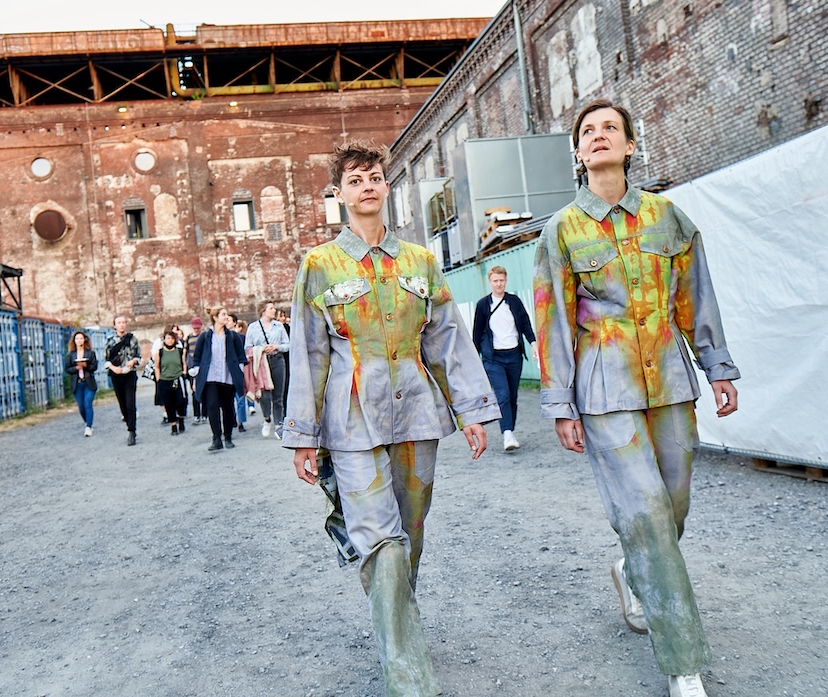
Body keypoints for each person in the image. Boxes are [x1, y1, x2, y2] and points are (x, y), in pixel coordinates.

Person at [534, 98, 740, 697]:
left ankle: (633, 569)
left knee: (671, 508)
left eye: (610, 130)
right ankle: (683, 663)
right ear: (578, 153)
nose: (599, 137)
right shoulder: (562, 230)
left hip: (670, 381)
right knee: (648, 513)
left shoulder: (667, 217)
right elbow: (553, 322)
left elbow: (695, 298)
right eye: (588, 131)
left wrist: (717, 366)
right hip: (604, 387)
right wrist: (559, 403)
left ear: (628, 146)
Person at [283, 141, 499, 696]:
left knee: (410, 538)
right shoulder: (319, 265)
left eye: (375, 177)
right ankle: (409, 677)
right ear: (340, 195)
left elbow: (446, 339)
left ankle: (398, 626)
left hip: (416, 418)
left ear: (387, 187)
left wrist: (471, 410)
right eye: (355, 180)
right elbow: (308, 354)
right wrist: (303, 436)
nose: (367, 186)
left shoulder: (421, 262)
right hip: (350, 422)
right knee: (381, 543)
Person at [471, 266, 537, 451]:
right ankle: (507, 433)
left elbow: (525, 323)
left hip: (514, 355)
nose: (499, 284)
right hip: (494, 359)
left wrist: (533, 343)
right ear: (490, 282)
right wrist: (474, 359)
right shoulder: (483, 305)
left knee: (513, 396)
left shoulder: (514, 302)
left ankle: (510, 430)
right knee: (503, 394)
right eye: (495, 281)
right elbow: (477, 332)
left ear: (505, 281)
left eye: (501, 280)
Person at [191, 307, 245, 452]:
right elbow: (196, 358)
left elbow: (241, 357)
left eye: (227, 314)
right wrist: (196, 377)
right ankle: (216, 438)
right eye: (223, 314)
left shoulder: (232, 336)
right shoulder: (205, 336)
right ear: (215, 317)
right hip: (210, 378)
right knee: (212, 407)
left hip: (227, 377)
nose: (226, 317)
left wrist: (239, 373)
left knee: (228, 407)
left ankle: (228, 436)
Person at [245, 300, 290, 439]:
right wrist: (261, 349)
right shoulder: (253, 327)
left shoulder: (279, 326)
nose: (274, 310)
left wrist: (277, 347)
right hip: (261, 363)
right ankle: (267, 419)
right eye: (271, 308)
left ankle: (278, 425)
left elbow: (288, 344)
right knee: (264, 395)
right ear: (263, 311)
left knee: (278, 395)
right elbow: (247, 347)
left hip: (277, 361)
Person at [105, 315, 142, 446]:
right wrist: (114, 368)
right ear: (114, 325)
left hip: (130, 374)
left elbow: (139, 356)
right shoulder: (110, 340)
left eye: (123, 322)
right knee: (122, 404)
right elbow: (106, 360)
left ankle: (132, 431)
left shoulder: (133, 339)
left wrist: (133, 361)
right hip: (117, 375)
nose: (121, 325)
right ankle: (128, 421)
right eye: (119, 323)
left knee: (130, 403)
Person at [65, 330, 98, 437]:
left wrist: (85, 366)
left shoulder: (90, 353)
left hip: (88, 383)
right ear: (74, 341)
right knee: (81, 407)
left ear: (85, 340)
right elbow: (67, 369)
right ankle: (87, 421)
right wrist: (76, 368)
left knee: (87, 403)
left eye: (81, 338)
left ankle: (88, 426)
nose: (79, 341)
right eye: (77, 339)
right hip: (77, 384)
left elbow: (94, 367)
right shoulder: (71, 355)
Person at [154, 331, 187, 435]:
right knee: (169, 403)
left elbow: (183, 363)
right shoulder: (160, 352)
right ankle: (173, 425)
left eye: (172, 338)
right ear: (164, 340)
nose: (170, 340)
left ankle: (181, 420)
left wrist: (184, 373)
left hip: (177, 378)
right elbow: (157, 366)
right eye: (168, 338)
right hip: (165, 380)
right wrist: (158, 379)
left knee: (181, 402)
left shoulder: (180, 351)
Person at [185, 316, 205, 424]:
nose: (196, 329)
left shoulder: (205, 336)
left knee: (204, 391)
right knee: (194, 391)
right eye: (194, 328)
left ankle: (205, 413)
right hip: (192, 367)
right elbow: (186, 352)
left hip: (203, 366)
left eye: (198, 327)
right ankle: (197, 414)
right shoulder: (189, 338)